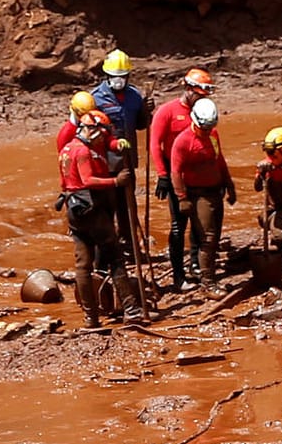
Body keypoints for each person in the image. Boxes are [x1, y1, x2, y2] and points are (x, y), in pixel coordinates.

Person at [57, 112, 142, 328]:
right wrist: (116, 181)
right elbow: (87, 180)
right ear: (91, 130)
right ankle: (131, 309)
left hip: (74, 210)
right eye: (101, 135)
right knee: (114, 257)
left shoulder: (66, 149)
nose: (103, 139)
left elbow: (64, 184)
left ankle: (91, 318)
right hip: (92, 209)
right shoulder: (84, 151)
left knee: (83, 265)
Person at [150, 68, 215, 290]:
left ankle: (195, 264)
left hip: (196, 173)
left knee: (199, 222)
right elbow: (155, 144)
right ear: (187, 89)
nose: (200, 99)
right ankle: (179, 277)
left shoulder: (203, 112)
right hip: (174, 173)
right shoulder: (167, 111)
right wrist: (162, 175)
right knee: (179, 225)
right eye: (198, 94)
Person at [170, 98, 236, 296]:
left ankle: (202, 271)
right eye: (203, 129)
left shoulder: (213, 135)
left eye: (209, 128)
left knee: (214, 236)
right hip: (197, 194)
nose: (206, 132)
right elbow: (175, 171)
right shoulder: (183, 142)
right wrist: (182, 198)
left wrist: (229, 185)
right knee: (207, 237)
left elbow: (219, 159)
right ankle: (208, 283)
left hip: (215, 191)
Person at [91, 50, 152, 261]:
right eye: (115, 77)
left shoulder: (134, 96)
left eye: (122, 77)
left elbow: (142, 125)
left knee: (128, 206)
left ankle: (130, 245)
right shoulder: (95, 99)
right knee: (107, 208)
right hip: (104, 166)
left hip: (127, 162)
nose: (119, 81)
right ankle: (108, 250)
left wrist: (146, 111)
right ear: (107, 76)